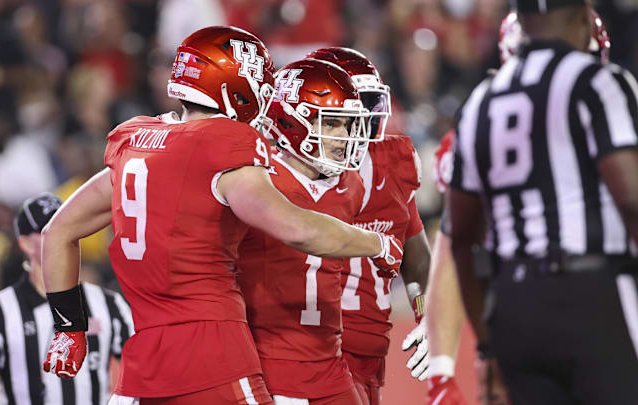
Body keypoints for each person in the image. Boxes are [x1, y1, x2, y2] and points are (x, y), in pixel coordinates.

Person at [39, 26, 403, 405]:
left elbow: (58, 232)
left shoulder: (135, 142)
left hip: (143, 364)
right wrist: (376, 243)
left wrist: (69, 327)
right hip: (213, 355)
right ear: (233, 85)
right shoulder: (224, 145)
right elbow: (297, 229)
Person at [449, 0, 638, 403]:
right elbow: (633, 201)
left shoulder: (480, 101)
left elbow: (462, 238)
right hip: (594, 295)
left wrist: (487, 345)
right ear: (584, 16)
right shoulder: (598, 81)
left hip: (515, 307)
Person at [236, 57, 375, 405]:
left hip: (330, 363)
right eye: (333, 124)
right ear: (291, 121)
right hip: (268, 363)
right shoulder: (255, 177)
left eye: (348, 125)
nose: (344, 137)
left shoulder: (351, 184)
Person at [307, 47, 431, 405]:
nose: (357, 127)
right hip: (308, 350)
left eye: (366, 110)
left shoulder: (395, 161)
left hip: (371, 352)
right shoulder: (280, 168)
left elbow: (415, 255)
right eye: (343, 116)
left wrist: (425, 313)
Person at [0, 192, 133, 405]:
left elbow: (141, 372)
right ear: (25, 244)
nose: (60, 234)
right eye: (47, 230)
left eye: (65, 225)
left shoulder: (109, 304)